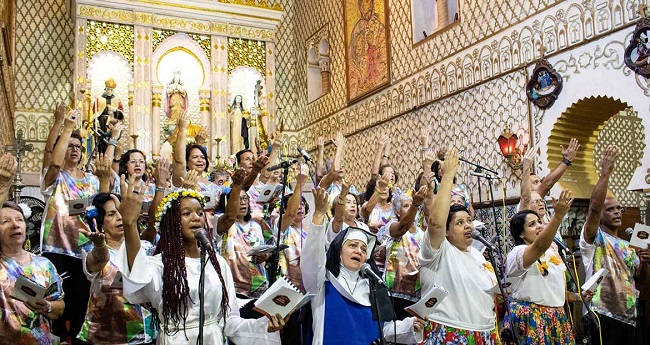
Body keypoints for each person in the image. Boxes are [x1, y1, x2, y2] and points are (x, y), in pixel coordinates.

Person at [116, 176, 285, 344]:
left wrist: (264, 325)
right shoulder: (161, 264)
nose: (196, 218)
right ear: (171, 222)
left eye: (199, 213)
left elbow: (230, 321)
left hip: (213, 338)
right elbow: (138, 277)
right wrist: (130, 223)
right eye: (186, 213)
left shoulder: (217, 263)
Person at [301, 187, 424, 344]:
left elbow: (384, 330)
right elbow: (311, 259)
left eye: (363, 249)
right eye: (352, 246)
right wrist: (318, 215)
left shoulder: (372, 287)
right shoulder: (322, 281)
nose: (358, 251)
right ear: (339, 251)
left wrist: (409, 325)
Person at [419, 149, 499, 344]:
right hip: (451, 332)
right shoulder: (438, 250)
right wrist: (447, 176)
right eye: (459, 223)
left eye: (469, 221)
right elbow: (436, 222)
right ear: (446, 231)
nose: (468, 226)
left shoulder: (478, 255)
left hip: (484, 333)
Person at [40, 109, 100, 344]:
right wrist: (63, 126)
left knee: (80, 301)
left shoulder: (92, 180)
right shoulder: (54, 177)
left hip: (84, 250)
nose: (74, 149)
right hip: (56, 247)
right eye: (70, 145)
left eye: (78, 146)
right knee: (55, 301)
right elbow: (54, 162)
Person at [579, 146, 650, 344]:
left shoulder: (628, 246)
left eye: (619, 208)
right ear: (600, 214)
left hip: (627, 315)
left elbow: (642, 279)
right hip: (601, 313)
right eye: (610, 209)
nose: (617, 212)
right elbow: (593, 208)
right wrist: (605, 173)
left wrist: (644, 263)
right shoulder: (593, 238)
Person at [504, 190, 587, 344]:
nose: (539, 226)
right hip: (531, 318)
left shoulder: (551, 254)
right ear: (521, 234)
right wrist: (558, 217)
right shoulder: (517, 253)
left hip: (557, 318)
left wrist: (579, 297)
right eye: (532, 224)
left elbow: (557, 293)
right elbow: (539, 247)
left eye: (539, 222)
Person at [76, 193, 159, 344]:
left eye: (122, 213)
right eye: (112, 214)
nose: (120, 218)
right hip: (107, 337)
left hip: (146, 335)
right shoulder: (91, 251)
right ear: (100, 221)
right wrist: (100, 245)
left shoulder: (145, 249)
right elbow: (99, 260)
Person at [0, 199, 65, 344]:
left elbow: (59, 308)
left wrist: (47, 307)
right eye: (6, 221)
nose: (15, 225)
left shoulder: (44, 264)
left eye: (19, 220)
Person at [215, 169, 270, 318]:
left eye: (245, 199)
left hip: (258, 288)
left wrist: (265, 256)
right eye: (238, 199)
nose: (243, 202)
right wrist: (238, 185)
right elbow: (229, 217)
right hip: (234, 290)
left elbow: (265, 252)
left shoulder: (256, 226)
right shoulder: (221, 223)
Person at [378, 188, 426, 320]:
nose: (411, 208)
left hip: (416, 290)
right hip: (394, 291)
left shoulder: (422, 234)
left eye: (412, 204)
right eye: (406, 206)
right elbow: (403, 227)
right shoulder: (391, 226)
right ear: (397, 212)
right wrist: (415, 205)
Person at [348, 0, 388, 98]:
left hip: (377, 74)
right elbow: (351, 58)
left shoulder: (378, 26)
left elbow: (383, 54)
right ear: (359, 7)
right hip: (360, 79)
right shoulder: (357, 29)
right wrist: (356, 78)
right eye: (362, 6)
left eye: (369, 3)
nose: (365, 9)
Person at [92, 78, 125, 154]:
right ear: (105, 89)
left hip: (112, 122)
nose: (109, 91)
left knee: (112, 139)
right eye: (108, 89)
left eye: (111, 89)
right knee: (101, 140)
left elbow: (121, 115)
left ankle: (112, 155)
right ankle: (101, 154)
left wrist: (114, 110)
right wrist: (95, 119)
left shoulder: (117, 100)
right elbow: (94, 111)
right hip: (101, 121)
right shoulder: (99, 99)